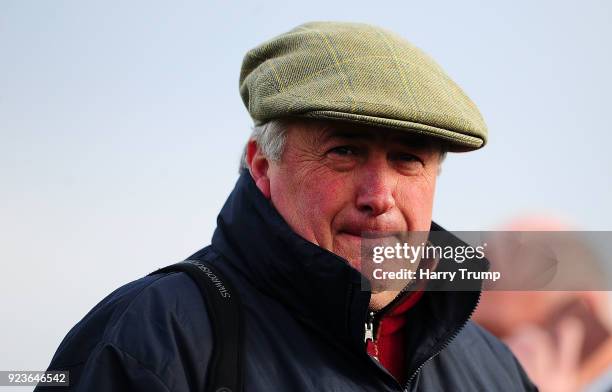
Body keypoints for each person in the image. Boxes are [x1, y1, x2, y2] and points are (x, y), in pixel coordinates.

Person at [36, 21, 537, 391]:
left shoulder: (496, 373)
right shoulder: (153, 336)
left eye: (407, 160)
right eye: (345, 151)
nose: (378, 197)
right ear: (261, 164)